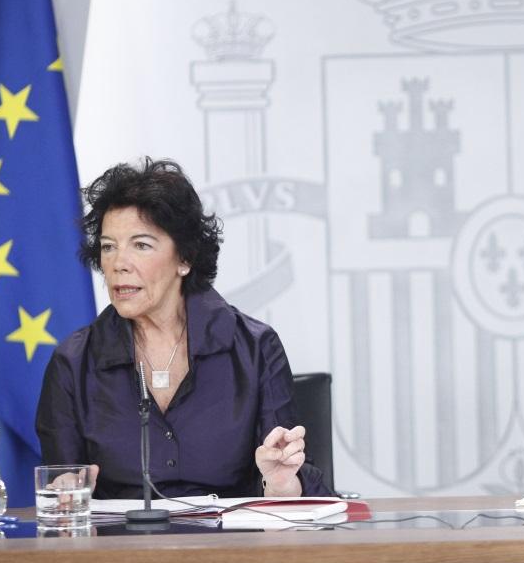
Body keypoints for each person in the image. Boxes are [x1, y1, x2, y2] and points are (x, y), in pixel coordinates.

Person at [36, 158, 330, 499]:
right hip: (118, 548)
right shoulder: (73, 363)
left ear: (185, 258)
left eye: (141, 245)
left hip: (231, 547)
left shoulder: (255, 348)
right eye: (108, 247)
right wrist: (64, 491)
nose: (118, 264)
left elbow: (291, 484)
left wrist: (279, 482)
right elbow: (63, 489)